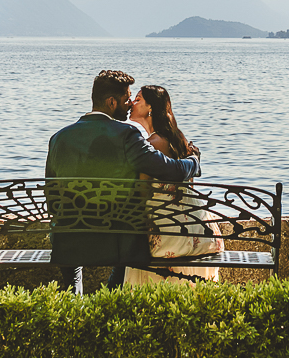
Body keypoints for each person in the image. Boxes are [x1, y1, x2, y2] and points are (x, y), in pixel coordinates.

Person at [45, 70, 200, 291]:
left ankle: (75, 302)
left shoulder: (58, 139)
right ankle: (112, 299)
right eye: (127, 98)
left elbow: (52, 196)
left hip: (68, 240)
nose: (130, 104)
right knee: (127, 250)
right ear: (111, 102)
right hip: (117, 243)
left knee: (72, 266)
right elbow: (171, 170)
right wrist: (193, 161)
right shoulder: (127, 135)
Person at [123, 85, 223, 286]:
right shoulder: (178, 138)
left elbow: (143, 192)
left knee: (130, 245)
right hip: (193, 228)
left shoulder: (151, 144)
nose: (133, 102)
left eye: (138, 99)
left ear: (150, 107)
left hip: (168, 232)